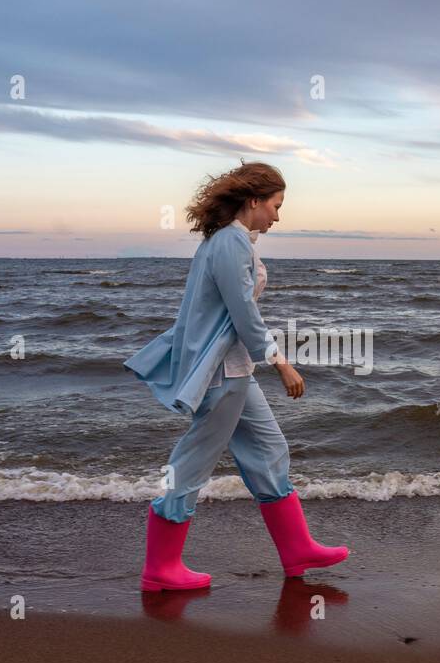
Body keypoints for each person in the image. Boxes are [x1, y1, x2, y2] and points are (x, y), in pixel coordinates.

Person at [123, 161, 349, 592]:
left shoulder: (232, 241)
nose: (278, 217)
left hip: (235, 370)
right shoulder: (230, 243)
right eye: (276, 206)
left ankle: (297, 549)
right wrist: (281, 361)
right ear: (254, 201)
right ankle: (161, 568)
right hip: (221, 374)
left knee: (269, 450)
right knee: (191, 464)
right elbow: (243, 313)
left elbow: (228, 313)